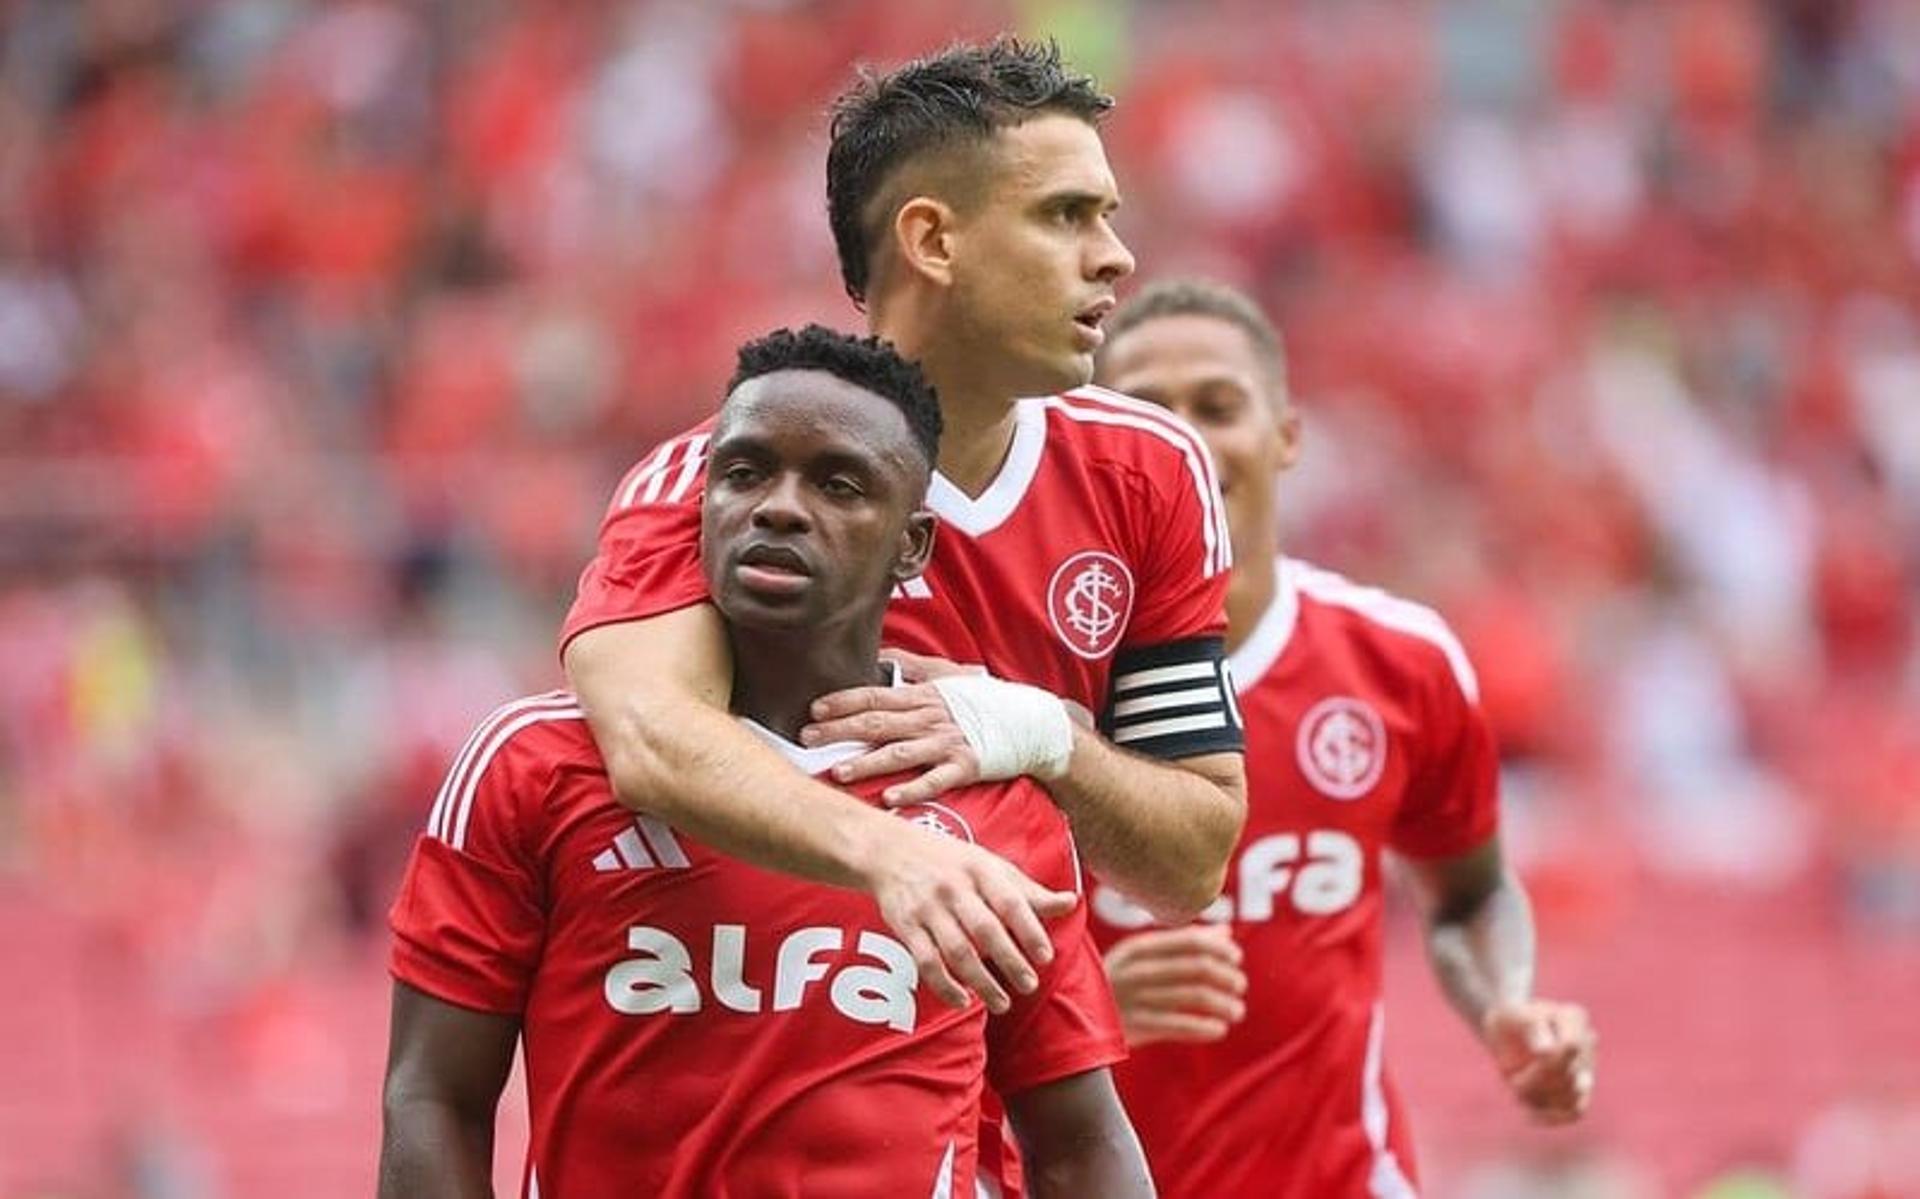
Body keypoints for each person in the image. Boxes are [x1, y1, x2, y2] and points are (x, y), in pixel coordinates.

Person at [378, 327, 1153, 1199]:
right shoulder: (534, 763)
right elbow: (433, 1096)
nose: (779, 507)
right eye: (744, 473)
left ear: (913, 545)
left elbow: (1081, 1142)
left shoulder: (997, 806)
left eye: (839, 483)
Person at [562, 38, 1246, 1022]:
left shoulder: (1151, 470)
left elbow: (1193, 858)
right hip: (757, 1060)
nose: (1115, 255)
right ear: (933, 240)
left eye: (1107, 215)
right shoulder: (715, 482)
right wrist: (896, 854)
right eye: (1065, 215)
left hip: (1006, 1086)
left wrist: (1044, 734)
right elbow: (651, 739)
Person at [1088, 280, 1598, 1198]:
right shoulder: (1024, 676)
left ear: (1285, 435)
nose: (1186, 438)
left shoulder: (1398, 661)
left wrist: (1505, 1005)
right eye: (1148, 411)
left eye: (1218, 405)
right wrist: (1085, 1012)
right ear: (1091, 440)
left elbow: (1469, 897)